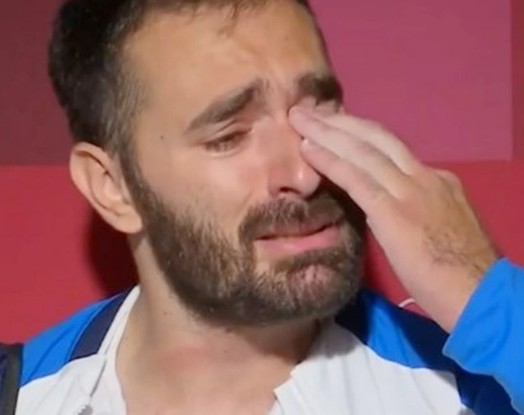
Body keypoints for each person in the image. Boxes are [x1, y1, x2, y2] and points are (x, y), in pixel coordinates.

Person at [4, 0, 523, 414]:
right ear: (113, 187)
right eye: (229, 136)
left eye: (317, 113)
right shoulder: (21, 395)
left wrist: (488, 303)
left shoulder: (464, 392)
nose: (304, 173)